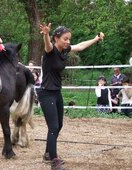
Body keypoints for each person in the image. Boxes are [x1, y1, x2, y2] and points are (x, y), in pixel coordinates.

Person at [38, 22, 104, 170]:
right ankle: (54, 161)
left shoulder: (65, 50)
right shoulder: (50, 51)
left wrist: (95, 39)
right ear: (57, 38)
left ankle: (48, 153)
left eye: (69, 39)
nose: (68, 41)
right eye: (65, 39)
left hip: (56, 92)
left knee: (59, 125)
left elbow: (80, 46)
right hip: (46, 93)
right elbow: (48, 45)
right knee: (53, 126)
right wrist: (46, 34)